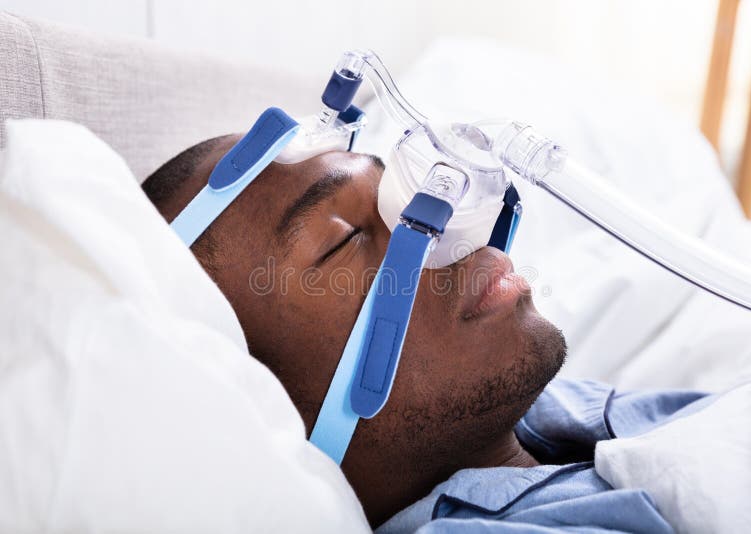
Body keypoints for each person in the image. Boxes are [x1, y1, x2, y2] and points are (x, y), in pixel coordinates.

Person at [142, 134, 705, 532]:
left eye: (401, 197)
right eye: (342, 241)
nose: (444, 226)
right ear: (271, 409)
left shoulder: (569, 420)